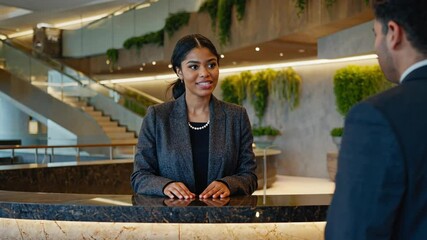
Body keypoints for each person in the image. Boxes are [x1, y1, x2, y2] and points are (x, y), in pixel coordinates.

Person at [325, 0, 427, 239]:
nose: (376, 46)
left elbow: (351, 233)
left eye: (376, 34)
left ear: (393, 33)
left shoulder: (375, 117)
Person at [131, 34, 257, 199]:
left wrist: (228, 184)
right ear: (179, 72)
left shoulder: (236, 116)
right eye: (194, 67)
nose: (205, 73)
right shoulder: (158, 117)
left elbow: (250, 176)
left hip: (222, 219)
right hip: (172, 219)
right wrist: (165, 186)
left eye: (211, 65)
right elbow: (140, 176)